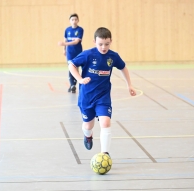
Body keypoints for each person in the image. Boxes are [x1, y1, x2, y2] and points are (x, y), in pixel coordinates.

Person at [68, 27, 136, 155]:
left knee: (105, 122)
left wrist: (129, 85)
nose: (103, 47)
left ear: (111, 41)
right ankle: (88, 135)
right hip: (87, 97)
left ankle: (105, 154)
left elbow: (123, 68)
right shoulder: (88, 54)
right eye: (100, 44)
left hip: (103, 97)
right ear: (94, 42)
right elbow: (71, 65)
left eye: (106, 44)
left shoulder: (113, 56)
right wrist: (80, 80)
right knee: (88, 126)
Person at [58, 13, 84, 93]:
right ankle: (72, 85)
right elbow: (65, 40)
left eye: (76, 19)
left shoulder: (80, 30)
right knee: (70, 67)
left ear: (78, 20)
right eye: (72, 19)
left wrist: (65, 44)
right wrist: (64, 49)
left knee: (76, 68)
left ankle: (75, 84)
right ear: (70, 21)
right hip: (70, 52)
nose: (74, 21)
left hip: (78, 52)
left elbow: (76, 41)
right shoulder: (67, 30)